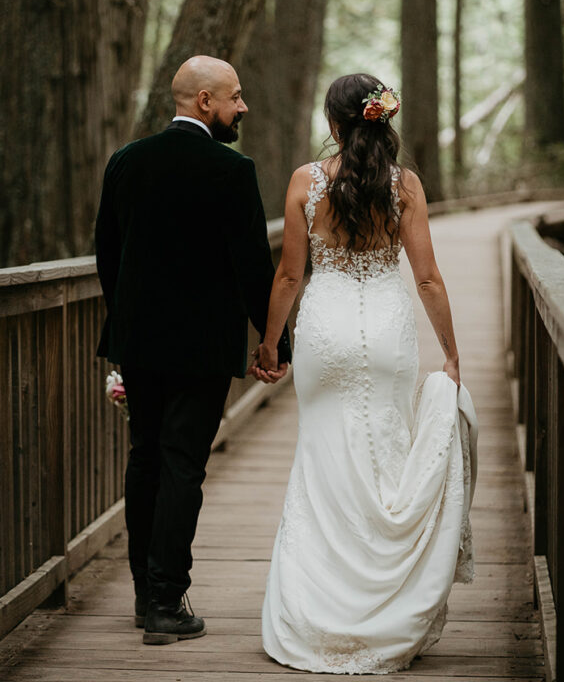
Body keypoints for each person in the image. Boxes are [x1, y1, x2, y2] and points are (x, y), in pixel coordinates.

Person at [250, 73, 477, 674]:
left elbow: (290, 278)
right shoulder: (404, 185)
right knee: (385, 453)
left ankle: (321, 609)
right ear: (383, 121)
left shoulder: (307, 181)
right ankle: (386, 601)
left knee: (324, 459)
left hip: (324, 333)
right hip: (388, 332)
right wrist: (451, 354)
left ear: (332, 125)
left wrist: (270, 345)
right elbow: (427, 278)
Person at [95, 55, 291, 645]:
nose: (243, 107)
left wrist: (126, 318)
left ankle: (141, 594)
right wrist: (273, 343)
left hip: (140, 341)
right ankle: (165, 601)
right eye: (235, 97)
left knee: (146, 458)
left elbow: (108, 252)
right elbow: (254, 268)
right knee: (184, 464)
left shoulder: (126, 162)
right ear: (205, 101)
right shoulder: (231, 171)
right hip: (202, 348)